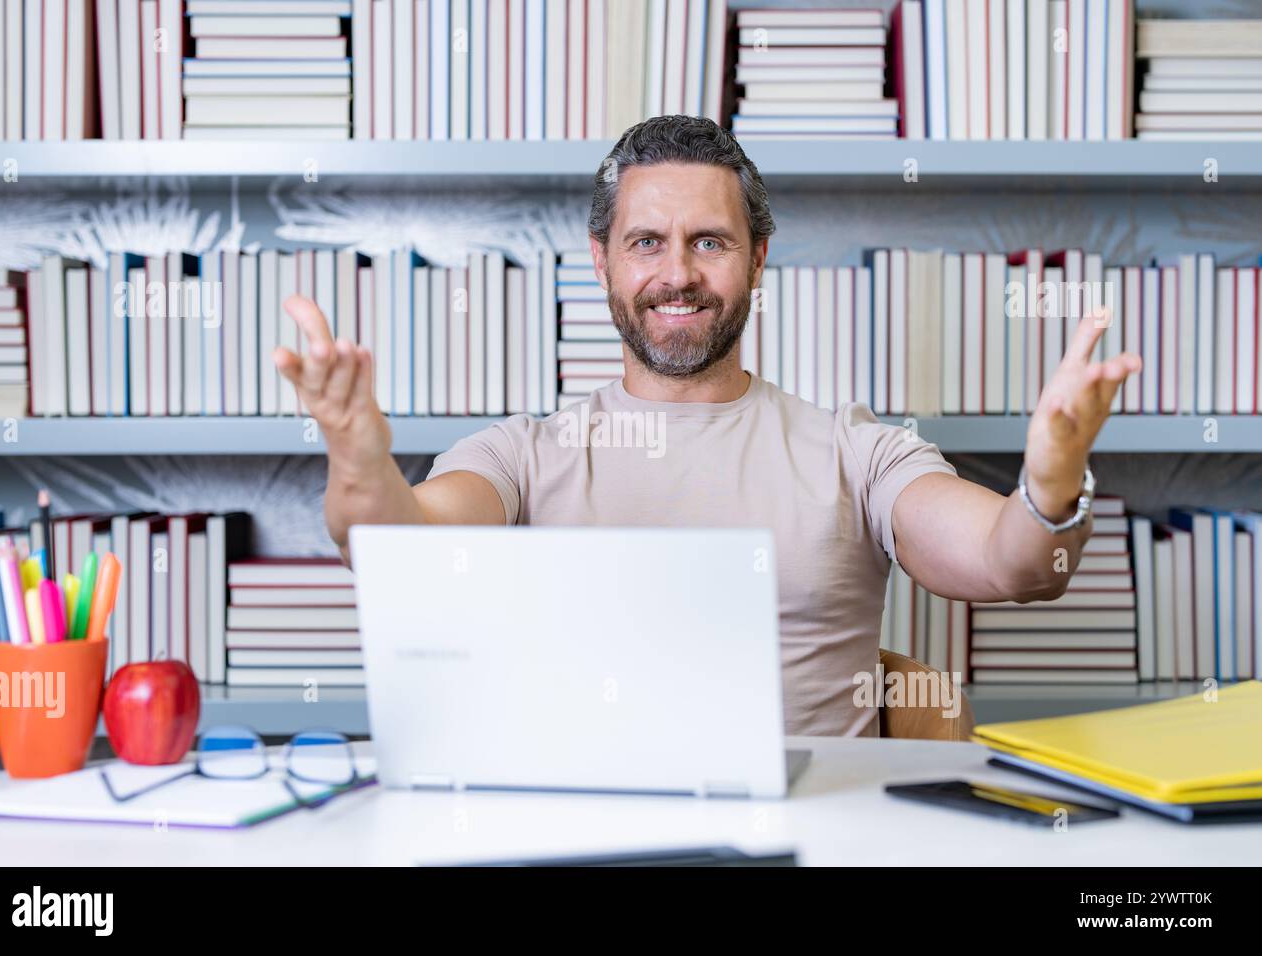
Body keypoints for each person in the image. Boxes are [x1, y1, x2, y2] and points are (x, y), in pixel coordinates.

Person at [274, 115, 1141, 736]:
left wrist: (1050, 480)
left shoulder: (854, 448)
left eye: (709, 242)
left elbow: (1017, 567)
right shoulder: (521, 455)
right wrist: (358, 461)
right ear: (603, 260)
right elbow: (401, 550)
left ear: (758, 257)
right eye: (646, 241)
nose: (677, 274)